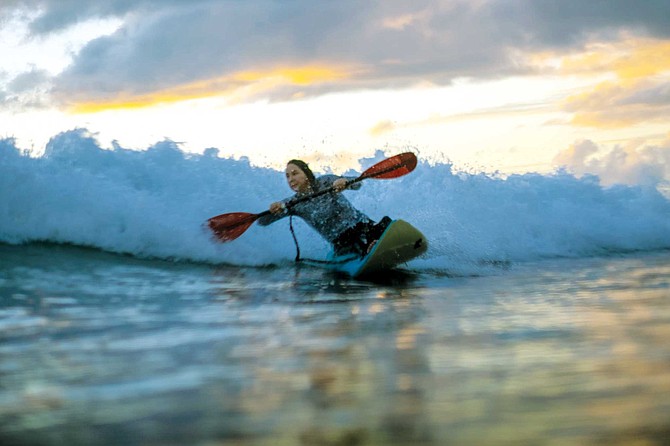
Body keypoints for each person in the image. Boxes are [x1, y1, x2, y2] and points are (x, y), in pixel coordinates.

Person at [257, 159, 391, 257]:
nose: (291, 179)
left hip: (363, 225)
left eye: (295, 173)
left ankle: (381, 242)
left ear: (306, 173)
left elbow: (358, 184)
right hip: (342, 242)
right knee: (354, 241)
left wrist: (343, 182)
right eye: (287, 176)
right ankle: (370, 247)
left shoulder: (326, 181)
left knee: (385, 224)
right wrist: (273, 209)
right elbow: (262, 221)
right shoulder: (292, 203)